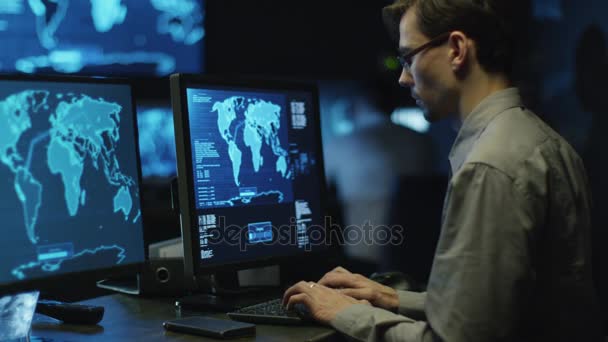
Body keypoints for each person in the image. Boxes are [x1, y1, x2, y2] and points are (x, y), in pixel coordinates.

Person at [282, 0, 604, 341]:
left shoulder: (489, 164)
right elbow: (500, 309)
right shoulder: (540, 139)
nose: (403, 78)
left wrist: (342, 312)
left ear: (456, 49)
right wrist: (390, 297)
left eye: (409, 58)